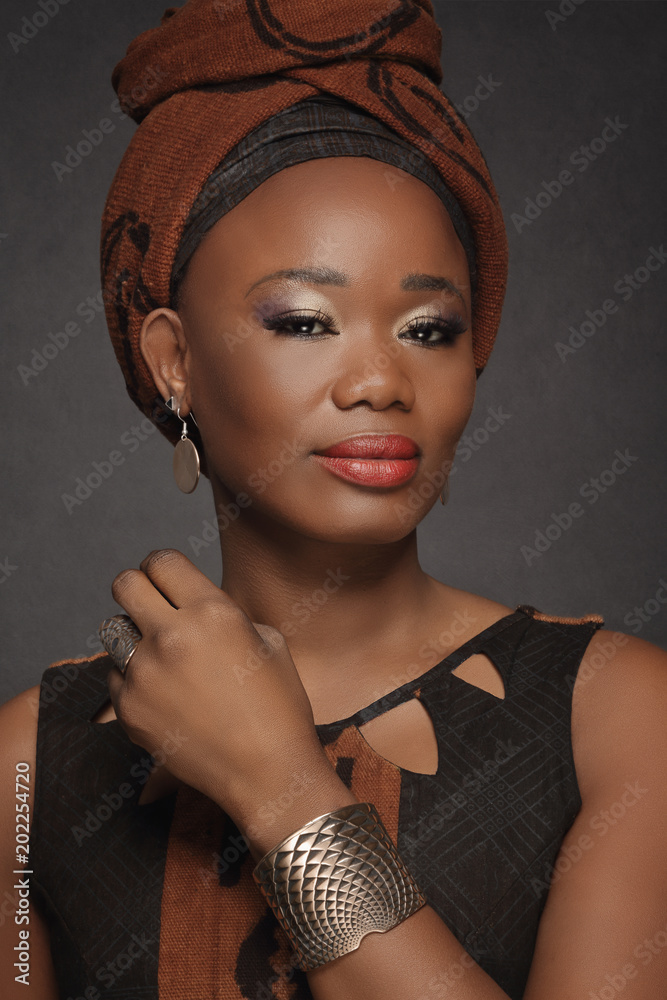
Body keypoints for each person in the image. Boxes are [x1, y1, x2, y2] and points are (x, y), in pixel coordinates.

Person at [1, 2, 666, 998]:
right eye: (307, 322)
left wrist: (284, 790)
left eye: (429, 329)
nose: (379, 383)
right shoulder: (26, 762)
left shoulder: (621, 717)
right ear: (174, 363)